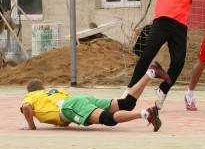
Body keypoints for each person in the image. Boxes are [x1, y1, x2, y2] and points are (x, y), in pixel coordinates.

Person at [123, 0, 205, 110]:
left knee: (178, 62)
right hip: (161, 24)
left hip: (179, 27)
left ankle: (163, 90)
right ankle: (129, 90)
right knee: (147, 56)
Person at [20, 62, 170, 131]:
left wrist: (31, 127)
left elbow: (26, 107)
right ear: (43, 88)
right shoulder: (52, 91)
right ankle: (151, 72)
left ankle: (145, 114)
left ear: (29, 91)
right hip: (79, 100)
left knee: (107, 119)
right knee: (126, 103)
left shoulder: (31, 96)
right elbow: (65, 119)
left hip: (70, 106)